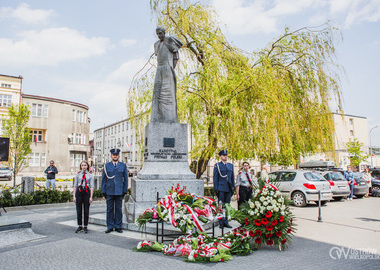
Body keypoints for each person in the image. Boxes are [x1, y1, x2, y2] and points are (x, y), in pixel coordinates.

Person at [151, 26, 183, 123]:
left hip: (167, 68)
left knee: (168, 93)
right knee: (157, 92)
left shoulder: (169, 40)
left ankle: (170, 117)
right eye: (157, 34)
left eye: (160, 33)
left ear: (164, 32)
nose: (159, 36)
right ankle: (158, 116)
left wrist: (171, 67)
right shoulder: (156, 44)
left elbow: (177, 51)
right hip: (159, 69)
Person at [101, 148, 128, 233]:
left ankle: (118, 226)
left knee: (118, 209)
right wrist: (103, 190)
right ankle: (109, 226)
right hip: (109, 190)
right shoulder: (107, 166)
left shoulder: (123, 166)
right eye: (114, 155)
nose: (115, 156)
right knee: (109, 209)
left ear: (118, 156)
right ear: (111, 156)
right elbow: (103, 179)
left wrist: (124, 190)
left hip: (119, 191)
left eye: (116, 155)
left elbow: (126, 179)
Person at [213, 149, 235, 229]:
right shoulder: (217, 165)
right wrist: (216, 189)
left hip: (228, 188)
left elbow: (232, 177)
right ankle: (221, 222)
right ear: (220, 156)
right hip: (221, 188)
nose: (225, 156)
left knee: (227, 206)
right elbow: (215, 178)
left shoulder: (230, 165)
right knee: (221, 206)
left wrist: (233, 187)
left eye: (226, 155)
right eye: (223, 155)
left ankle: (226, 222)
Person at [73, 160, 94, 233]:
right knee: (79, 210)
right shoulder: (78, 175)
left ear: (87, 166)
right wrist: (74, 196)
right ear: (80, 166)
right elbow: (75, 186)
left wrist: (91, 197)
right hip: (79, 191)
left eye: (85, 165)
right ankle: (79, 225)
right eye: (82, 165)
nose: (84, 166)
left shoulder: (90, 175)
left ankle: (85, 226)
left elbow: (91, 187)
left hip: (86, 191)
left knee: (86, 210)